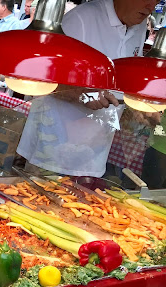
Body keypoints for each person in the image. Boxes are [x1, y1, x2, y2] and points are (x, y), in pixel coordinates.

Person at [16, 0, 158, 178]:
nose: (151, 7)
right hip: (50, 148)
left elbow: (123, 78)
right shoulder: (81, 19)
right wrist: (82, 93)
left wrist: (139, 105)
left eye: (157, 1)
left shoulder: (139, 26)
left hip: (94, 154)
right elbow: (37, 76)